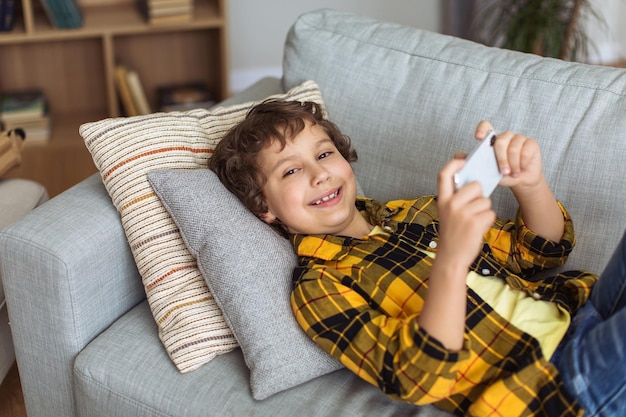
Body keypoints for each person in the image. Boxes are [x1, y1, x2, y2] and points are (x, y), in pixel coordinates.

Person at [209, 99, 626, 417]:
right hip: (546, 383)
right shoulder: (318, 288)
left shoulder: (420, 212)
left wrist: (530, 184)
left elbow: (539, 253)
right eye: (290, 171)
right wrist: (450, 261)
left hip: (581, 309)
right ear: (264, 207)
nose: (319, 174)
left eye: (322, 154)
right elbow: (415, 375)